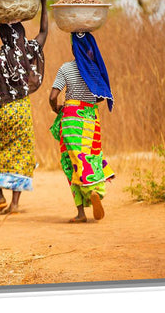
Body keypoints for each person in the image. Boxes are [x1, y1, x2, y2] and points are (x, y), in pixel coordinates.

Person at [0, 0, 48, 215]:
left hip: (1, 112)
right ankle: (15, 203)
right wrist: (44, 3)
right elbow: (44, 31)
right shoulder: (29, 51)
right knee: (20, 154)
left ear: (2, 34)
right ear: (21, 32)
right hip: (20, 110)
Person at [49, 31, 115, 223]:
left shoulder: (66, 68)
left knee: (72, 162)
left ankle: (81, 211)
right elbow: (102, 95)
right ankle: (96, 191)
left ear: (73, 48)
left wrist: (57, 109)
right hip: (91, 118)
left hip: (71, 119)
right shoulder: (95, 69)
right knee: (91, 156)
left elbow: (53, 96)